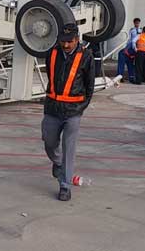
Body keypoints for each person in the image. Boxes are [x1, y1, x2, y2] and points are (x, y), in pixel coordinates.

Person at [42, 23, 95, 201]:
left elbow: (90, 86)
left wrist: (81, 107)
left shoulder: (86, 56)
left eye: (69, 42)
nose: (66, 45)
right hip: (52, 108)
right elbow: (51, 75)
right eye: (63, 41)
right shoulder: (53, 53)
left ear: (77, 39)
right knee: (49, 141)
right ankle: (58, 163)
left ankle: (65, 185)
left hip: (73, 111)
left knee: (69, 147)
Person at [117, 18, 141, 83]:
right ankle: (123, 77)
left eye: (138, 23)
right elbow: (129, 40)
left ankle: (128, 77)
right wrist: (126, 48)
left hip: (135, 48)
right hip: (131, 47)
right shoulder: (132, 30)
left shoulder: (141, 31)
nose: (137, 24)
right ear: (134, 23)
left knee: (129, 62)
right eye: (136, 23)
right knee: (127, 61)